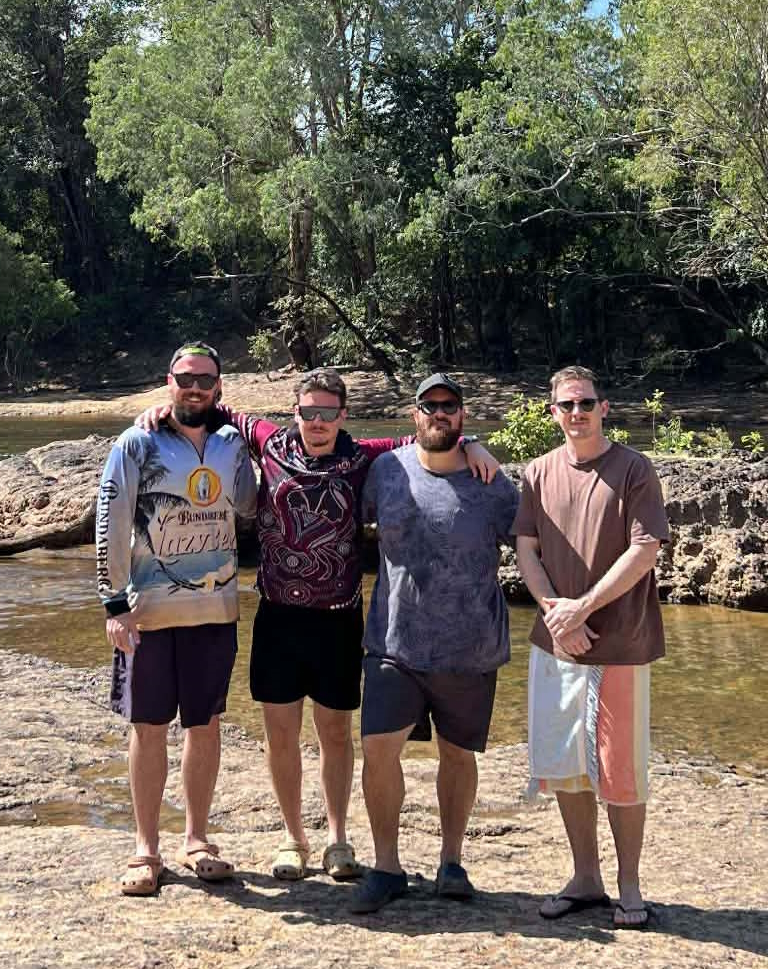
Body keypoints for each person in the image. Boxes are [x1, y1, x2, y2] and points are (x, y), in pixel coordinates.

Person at [137, 367, 499, 883]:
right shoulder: (268, 441)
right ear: (296, 412)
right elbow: (211, 407)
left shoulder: (362, 456)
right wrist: (158, 410)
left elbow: (427, 435)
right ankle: (292, 838)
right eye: (309, 412)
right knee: (280, 733)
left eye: (328, 413)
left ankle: (336, 838)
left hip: (338, 621)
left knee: (335, 733)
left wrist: (472, 443)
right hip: (278, 618)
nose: (317, 422)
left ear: (342, 416)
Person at [348, 373, 519, 913]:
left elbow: (537, 547)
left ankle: (451, 861)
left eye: (450, 407)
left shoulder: (493, 484)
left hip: (469, 649)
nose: (440, 414)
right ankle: (387, 866)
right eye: (430, 407)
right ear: (414, 416)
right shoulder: (385, 472)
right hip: (394, 644)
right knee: (378, 751)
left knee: (457, 755)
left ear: (462, 417)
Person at [97, 341, 258, 895]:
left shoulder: (232, 443)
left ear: (219, 386)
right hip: (147, 611)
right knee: (147, 727)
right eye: (185, 377)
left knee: (204, 725)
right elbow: (110, 522)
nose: (195, 386)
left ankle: (197, 839)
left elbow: (247, 505)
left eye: (205, 379)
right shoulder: (136, 442)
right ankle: (146, 849)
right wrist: (113, 603)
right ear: (169, 380)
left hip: (215, 610)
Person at [513, 365, 669, 929]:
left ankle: (629, 884)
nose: (576, 413)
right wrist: (557, 612)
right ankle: (586, 878)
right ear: (552, 411)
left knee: (619, 772)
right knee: (566, 768)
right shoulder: (537, 471)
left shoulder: (633, 469)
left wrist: (585, 608)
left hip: (620, 643)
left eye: (586, 403)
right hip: (555, 643)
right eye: (566, 405)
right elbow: (526, 548)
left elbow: (645, 549)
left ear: (604, 408)